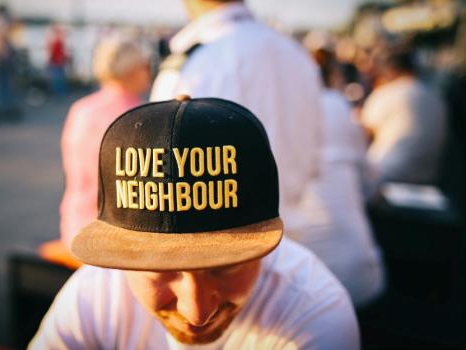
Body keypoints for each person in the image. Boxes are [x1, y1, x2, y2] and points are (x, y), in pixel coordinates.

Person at [30, 96, 359, 349]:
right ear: (121, 260)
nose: (196, 311)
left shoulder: (314, 311)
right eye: (158, 268)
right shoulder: (97, 294)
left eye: (227, 265)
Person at [150, 0, 322, 227]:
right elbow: (316, 153)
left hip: (219, 244)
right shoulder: (295, 54)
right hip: (295, 232)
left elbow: (161, 175)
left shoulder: (192, 64)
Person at [42, 36, 151, 267]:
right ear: (132, 70)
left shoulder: (81, 109)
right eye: (145, 66)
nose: (148, 73)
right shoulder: (140, 116)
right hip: (116, 236)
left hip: (74, 224)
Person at [289, 48, 385, 307]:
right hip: (362, 277)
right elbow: (369, 183)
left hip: (303, 291)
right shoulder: (337, 105)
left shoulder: (279, 113)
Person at [360, 49, 447, 192]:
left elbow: (362, 137)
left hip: (385, 177)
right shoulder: (436, 97)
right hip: (428, 180)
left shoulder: (385, 94)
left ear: (388, 71)